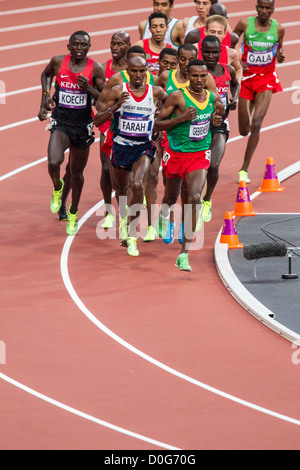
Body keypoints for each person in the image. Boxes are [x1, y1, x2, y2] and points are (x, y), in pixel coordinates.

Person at [154, 59, 224, 271]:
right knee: (170, 196)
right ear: (188, 74)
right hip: (176, 154)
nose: (200, 80)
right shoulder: (177, 96)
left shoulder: (212, 98)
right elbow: (156, 123)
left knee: (194, 198)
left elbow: (219, 111)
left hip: (199, 154)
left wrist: (216, 120)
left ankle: (183, 254)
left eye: (203, 76)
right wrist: (182, 118)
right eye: (195, 76)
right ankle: (164, 215)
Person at [94, 56, 166, 257]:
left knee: (136, 184)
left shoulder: (156, 91)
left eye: (141, 71)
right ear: (128, 70)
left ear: (146, 72)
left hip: (143, 147)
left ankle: (133, 236)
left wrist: (159, 122)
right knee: (120, 189)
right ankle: (124, 219)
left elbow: (169, 106)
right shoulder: (118, 90)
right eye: (134, 71)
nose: (138, 75)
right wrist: (114, 108)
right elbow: (97, 118)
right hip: (120, 146)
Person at [38, 31, 105, 235]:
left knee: (76, 174)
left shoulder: (96, 68)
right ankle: (57, 187)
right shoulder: (58, 61)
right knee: (53, 162)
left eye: (83, 45)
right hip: (61, 122)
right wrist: (44, 98)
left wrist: (89, 89)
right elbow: (45, 74)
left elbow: (103, 100)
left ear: (89, 47)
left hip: (83, 125)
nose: (78, 48)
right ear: (68, 46)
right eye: (75, 44)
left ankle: (73, 212)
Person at [233, 0, 285, 183]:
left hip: (266, 79)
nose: (264, 11)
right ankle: (244, 166)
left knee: (256, 124)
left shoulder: (279, 29)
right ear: (256, 8)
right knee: (243, 130)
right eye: (261, 7)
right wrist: (238, 61)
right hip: (247, 79)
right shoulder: (244, 24)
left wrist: (280, 55)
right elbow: (230, 44)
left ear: (273, 9)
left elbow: (280, 49)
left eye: (268, 8)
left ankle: (243, 169)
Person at [200, 35, 240, 222]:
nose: (210, 55)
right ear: (201, 52)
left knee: (214, 165)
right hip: (199, 125)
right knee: (199, 168)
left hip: (220, 125)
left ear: (220, 53)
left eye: (214, 52)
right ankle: (193, 202)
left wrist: (235, 98)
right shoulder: (198, 73)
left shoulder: (228, 70)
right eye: (206, 52)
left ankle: (207, 199)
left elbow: (235, 83)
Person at [99, 31, 131, 230]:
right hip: (108, 123)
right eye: (113, 43)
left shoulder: (134, 69)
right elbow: (99, 100)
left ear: (128, 45)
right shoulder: (103, 69)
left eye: (120, 44)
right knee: (105, 167)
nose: (115, 48)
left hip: (130, 125)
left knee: (128, 172)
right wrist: (109, 108)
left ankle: (129, 207)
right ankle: (109, 210)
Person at [196, 15, 243, 84]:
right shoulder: (195, 50)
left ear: (224, 34)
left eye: (219, 32)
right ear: (205, 31)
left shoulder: (231, 53)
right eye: (212, 32)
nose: (216, 35)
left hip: (221, 94)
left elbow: (239, 69)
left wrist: (237, 86)